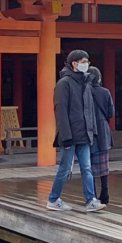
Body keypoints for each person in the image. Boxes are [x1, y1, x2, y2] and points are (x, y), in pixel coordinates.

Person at [47, 50, 102, 212]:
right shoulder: (64, 83)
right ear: (74, 63)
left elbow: (89, 109)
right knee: (64, 169)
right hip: (70, 134)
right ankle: (53, 198)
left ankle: (90, 199)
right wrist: (65, 136)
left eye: (87, 61)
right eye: (83, 61)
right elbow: (61, 111)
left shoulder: (85, 82)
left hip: (84, 133)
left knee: (87, 168)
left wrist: (92, 131)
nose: (86, 64)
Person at [87, 66, 114, 205]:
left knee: (88, 165)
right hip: (103, 129)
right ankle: (105, 192)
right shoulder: (105, 92)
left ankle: (92, 195)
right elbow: (110, 113)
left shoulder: (85, 92)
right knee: (104, 165)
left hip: (89, 129)